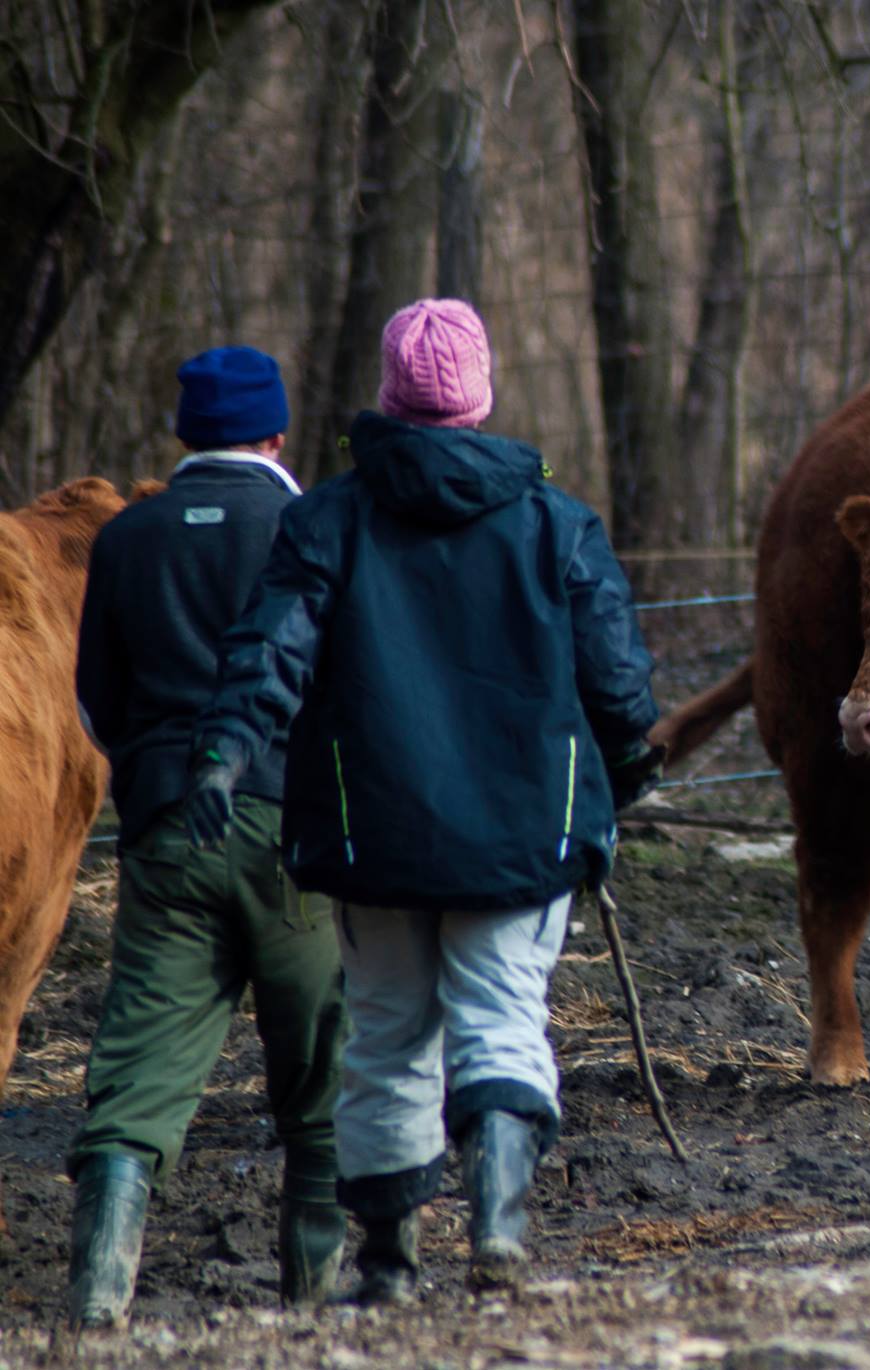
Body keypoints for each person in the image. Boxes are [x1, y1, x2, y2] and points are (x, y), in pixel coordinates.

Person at [187, 299, 662, 1304]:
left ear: (389, 396)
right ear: (479, 395)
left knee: (389, 1036)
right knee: (501, 1017)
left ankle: (390, 1262)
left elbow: (271, 649)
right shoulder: (556, 522)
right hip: (524, 831)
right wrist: (626, 774)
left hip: (377, 838)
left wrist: (223, 750)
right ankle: (497, 1222)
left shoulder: (326, 519)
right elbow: (617, 683)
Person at [69, 346, 348, 1329]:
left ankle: (98, 1296)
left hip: (161, 828)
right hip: (292, 831)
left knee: (139, 1064)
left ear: (184, 434)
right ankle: (311, 1310)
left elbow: (94, 704)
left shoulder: (126, 538)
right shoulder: (309, 524)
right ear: (276, 433)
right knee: (318, 1070)